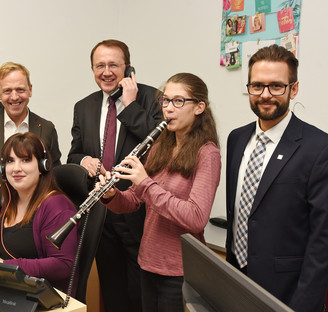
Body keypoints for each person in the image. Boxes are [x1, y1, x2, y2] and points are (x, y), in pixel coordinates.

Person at [96, 73, 221, 312]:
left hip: (180, 271)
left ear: (199, 107)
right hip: (147, 262)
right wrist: (111, 195)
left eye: (178, 101)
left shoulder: (207, 153)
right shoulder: (160, 146)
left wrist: (146, 183)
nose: (168, 109)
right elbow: (134, 200)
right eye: (165, 101)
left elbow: (195, 218)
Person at [226, 44, 328, 312]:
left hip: (287, 294)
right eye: (257, 86)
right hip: (236, 282)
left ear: (293, 89)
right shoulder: (236, 139)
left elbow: (323, 241)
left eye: (276, 86)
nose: (265, 95)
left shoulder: (319, 148)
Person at [67, 39, 162, 312]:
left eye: (113, 65)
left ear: (128, 68)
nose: (106, 72)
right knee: (112, 292)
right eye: (100, 65)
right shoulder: (83, 106)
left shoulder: (152, 98)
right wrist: (84, 160)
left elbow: (162, 147)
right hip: (100, 213)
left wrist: (131, 106)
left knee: (140, 294)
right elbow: (72, 155)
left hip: (138, 214)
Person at [0, 62, 61, 234]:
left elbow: (54, 176)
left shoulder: (46, 128)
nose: (14, 97)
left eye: (20, 90)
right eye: (7, 91)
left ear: (30, 89)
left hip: (32, 222)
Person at [0, 132, 78, 294]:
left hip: (43, 296)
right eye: (10, 161)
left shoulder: (57, 206)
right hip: (14, 287)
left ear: (43, 166)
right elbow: (6, 242)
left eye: (26, 160)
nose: (16, 168)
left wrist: (2, 269)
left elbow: (62, 264)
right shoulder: (12, 201)